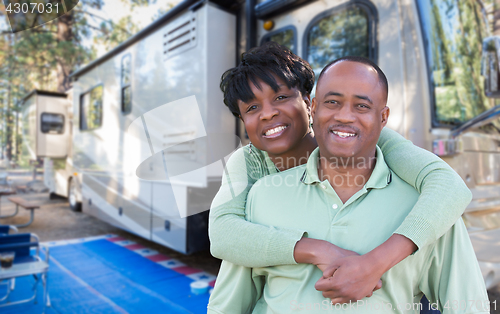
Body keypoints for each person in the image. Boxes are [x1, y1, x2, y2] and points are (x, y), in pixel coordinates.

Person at [209, 56, 489, 313]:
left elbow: (448, 185)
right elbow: (224, 235)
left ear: (308, 103)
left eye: (281, 97)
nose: (268, 113)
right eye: (252, 107)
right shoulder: (253, 177)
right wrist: (317, 249)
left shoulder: (374, 142)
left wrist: (373, 264)